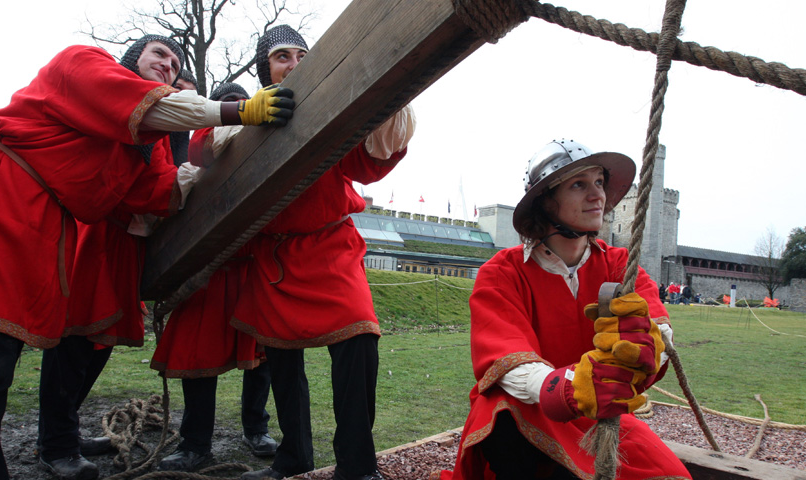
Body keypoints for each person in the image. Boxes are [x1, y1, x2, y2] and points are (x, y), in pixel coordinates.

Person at [0, 34, 294, 480]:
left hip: (45, 222)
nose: (169, 64)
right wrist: (238, 111)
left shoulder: (145, 143)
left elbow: (151, 192)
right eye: (160, 54)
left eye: (176, 63)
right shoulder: (83, 63)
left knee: (5, 354)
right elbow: (152, 110)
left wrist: (209, 173)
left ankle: (34, 445)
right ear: (133, 58)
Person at [225, 25, 416, 480]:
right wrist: (241, 121)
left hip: (331, 247)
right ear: (266, 69)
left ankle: (356, 465)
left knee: (359, 342)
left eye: (303, 55)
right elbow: (211, 162)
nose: (295, 64)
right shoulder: (246, 119)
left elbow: (368, 161)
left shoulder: (334, 114)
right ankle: (294, 457)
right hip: (274, 259)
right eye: (283, 57)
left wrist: (389, 88)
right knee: (282, 363)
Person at [438, 139, 689, 480]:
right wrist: (570, 388)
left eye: (599, 182)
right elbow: (507, 361)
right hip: (532, 410)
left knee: (668, 474)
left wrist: (644, 350)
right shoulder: (502, 272)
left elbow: (660, 333)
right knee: (501, 407)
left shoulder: (620, 265)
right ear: (545, 200)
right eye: (579, 185)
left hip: (601, 416)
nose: (598, 195)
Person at [150, 82, 279, 473]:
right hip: (206, 272)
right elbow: (201, 147)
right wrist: (238, 113)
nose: (235, 108)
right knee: (196, 357)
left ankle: (256, 428)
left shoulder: (267, 148)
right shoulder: (203, 146)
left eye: (241, 103)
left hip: (249, 268)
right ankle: (195, 444)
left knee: (260, 359)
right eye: (227, 105)